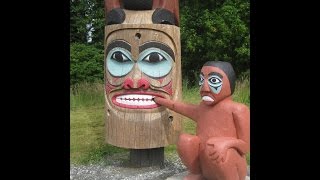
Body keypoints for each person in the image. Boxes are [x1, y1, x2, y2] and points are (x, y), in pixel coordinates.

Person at [154, 61, 250, 180]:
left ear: (229, 84)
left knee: (215, 146)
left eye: (213, 81)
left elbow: (245, 146)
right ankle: (197, 173)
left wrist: (226, 144)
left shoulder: (238, 109)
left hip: (231, 167)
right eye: (201, 79)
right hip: (206, 167)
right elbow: (177, 106)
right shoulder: (202, 109)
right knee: (185, 140)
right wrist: (158, 100)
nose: (204, 88)